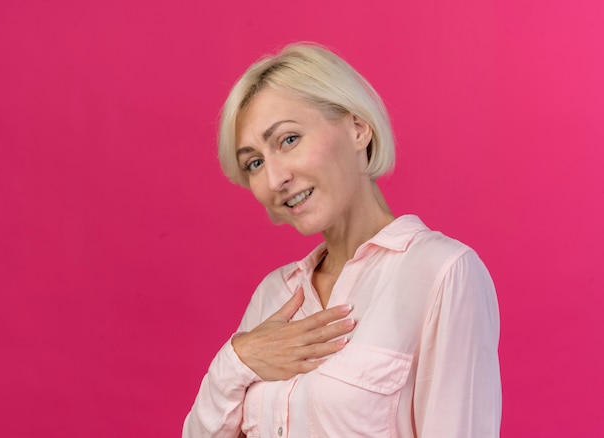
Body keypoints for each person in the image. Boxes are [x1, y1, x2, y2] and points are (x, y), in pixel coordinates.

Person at [183, 42, 501, 437]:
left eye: (288, 140)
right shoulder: (274, 295)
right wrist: (237, 358)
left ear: (357, 129)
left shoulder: (442, 273)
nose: (274, 179)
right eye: (255, 163)